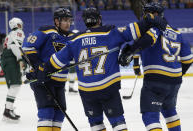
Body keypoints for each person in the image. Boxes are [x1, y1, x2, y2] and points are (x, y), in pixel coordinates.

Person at [36, 7, 167, 130]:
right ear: (99, 19)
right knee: (118, 123)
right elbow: (135, 29)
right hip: (108, 87)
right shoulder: (110, 33)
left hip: (87, 91)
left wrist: (43, 69)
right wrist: (151, 19)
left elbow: (56, 61)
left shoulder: (74, 39)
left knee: (96, 125)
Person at [119, 2, 193, 131]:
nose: (143, 17)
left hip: (156, 80)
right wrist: (177, 75)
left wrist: (130, 51)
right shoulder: (177, 32)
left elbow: (147, 40)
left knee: (150, 116)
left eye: (146, 13)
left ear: (156, 14)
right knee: (170, 112)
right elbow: (188, 59)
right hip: (174, 82)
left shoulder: (154, 29)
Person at [22, 8, 74, 131]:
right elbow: (27, 48)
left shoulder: (72, 37)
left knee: (60, 113)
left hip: (60, 82)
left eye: (69, 20)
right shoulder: (46, 31)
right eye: (65, 20)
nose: (68, 23)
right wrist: (39, 66)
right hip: (42, 79)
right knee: (47, 112)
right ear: (57, 21)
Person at [0, 17, 26, 121]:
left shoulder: (10, 34)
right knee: (15, 85)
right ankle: (7, 111)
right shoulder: (18, 32)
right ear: (18, 25)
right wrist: (20, 59)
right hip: (11, 58)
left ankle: (8, 109)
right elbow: (15, 46)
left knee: (14, 86)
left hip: (8, 58)